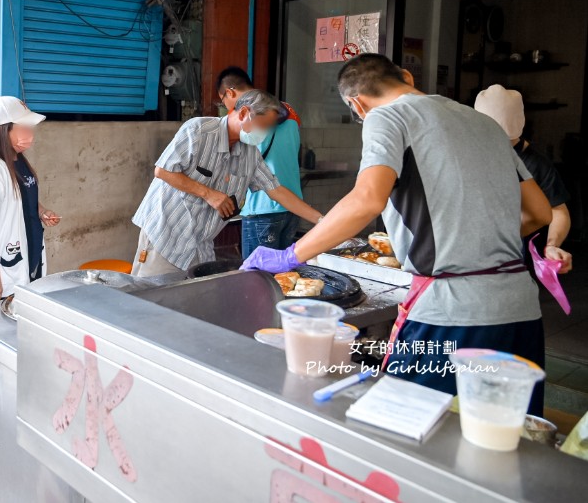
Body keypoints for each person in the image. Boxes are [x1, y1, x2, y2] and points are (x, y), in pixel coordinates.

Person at [244, 54, 553, 415]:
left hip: (451, 315)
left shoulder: (386, 116)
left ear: (356, 104)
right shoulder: (485, 124)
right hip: (521, 311)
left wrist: (290, 255)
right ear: (405, 76)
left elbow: (367, 199)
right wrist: (476, 239)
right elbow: (539, 213)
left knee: (410, 432)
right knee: (505, 441)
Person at [132, 89, 323, 277]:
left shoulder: (250, 153)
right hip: (165, 237)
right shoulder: (199, 130)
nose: (263, 133)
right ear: (243, 113)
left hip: (201, 245)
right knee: (153, 300)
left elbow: (277, 190)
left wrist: (322, 221)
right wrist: (209, 194)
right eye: (263, 125)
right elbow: (163, 171)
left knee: (193, 302)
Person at [0, 96, 59, 303]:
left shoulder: (19, 162)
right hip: (1, 275)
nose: (30, 134)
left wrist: (42, 212)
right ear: (4, 130)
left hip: (26, 264)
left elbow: (22, 199)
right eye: (24, 128)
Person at [475, 84, 573, 272]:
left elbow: (558, 210)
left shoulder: (536, 163)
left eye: (507, 141)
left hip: (512, 250)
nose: (498, 146)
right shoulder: (470, 152)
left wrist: (552, 245)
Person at [218, 66, 304, 258]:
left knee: (256, 278)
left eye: (223, 101)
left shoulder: (253, 120)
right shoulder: (287, 110)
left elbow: (240, 165)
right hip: (292, 205)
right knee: (282, 276)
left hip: (263, 207)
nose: (227, 108)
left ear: (230, 92)